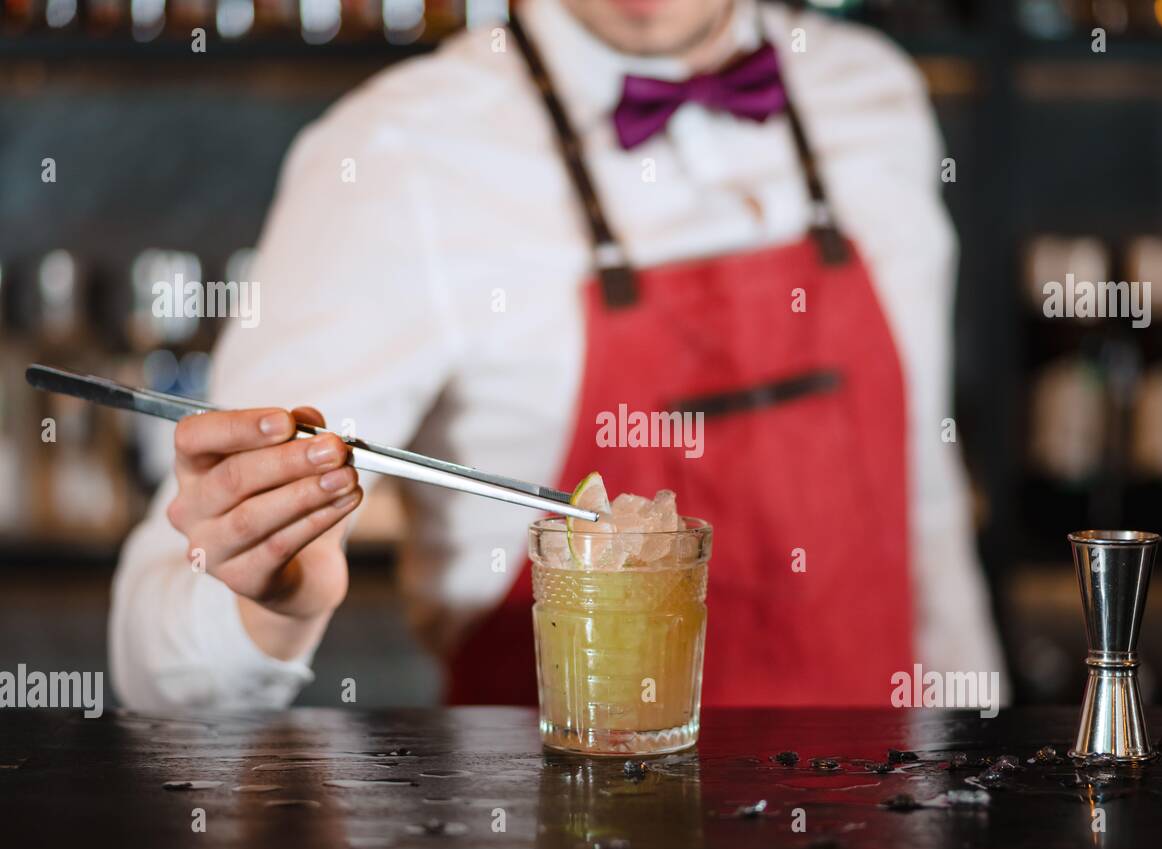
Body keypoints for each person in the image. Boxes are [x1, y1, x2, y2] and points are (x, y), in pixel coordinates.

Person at [110, 0, 1005, 711]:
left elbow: (922, 513)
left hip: (880, 817)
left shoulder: (875, 97)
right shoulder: (397, 156)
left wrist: (986, 777)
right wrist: (269, 605)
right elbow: (154, 663)